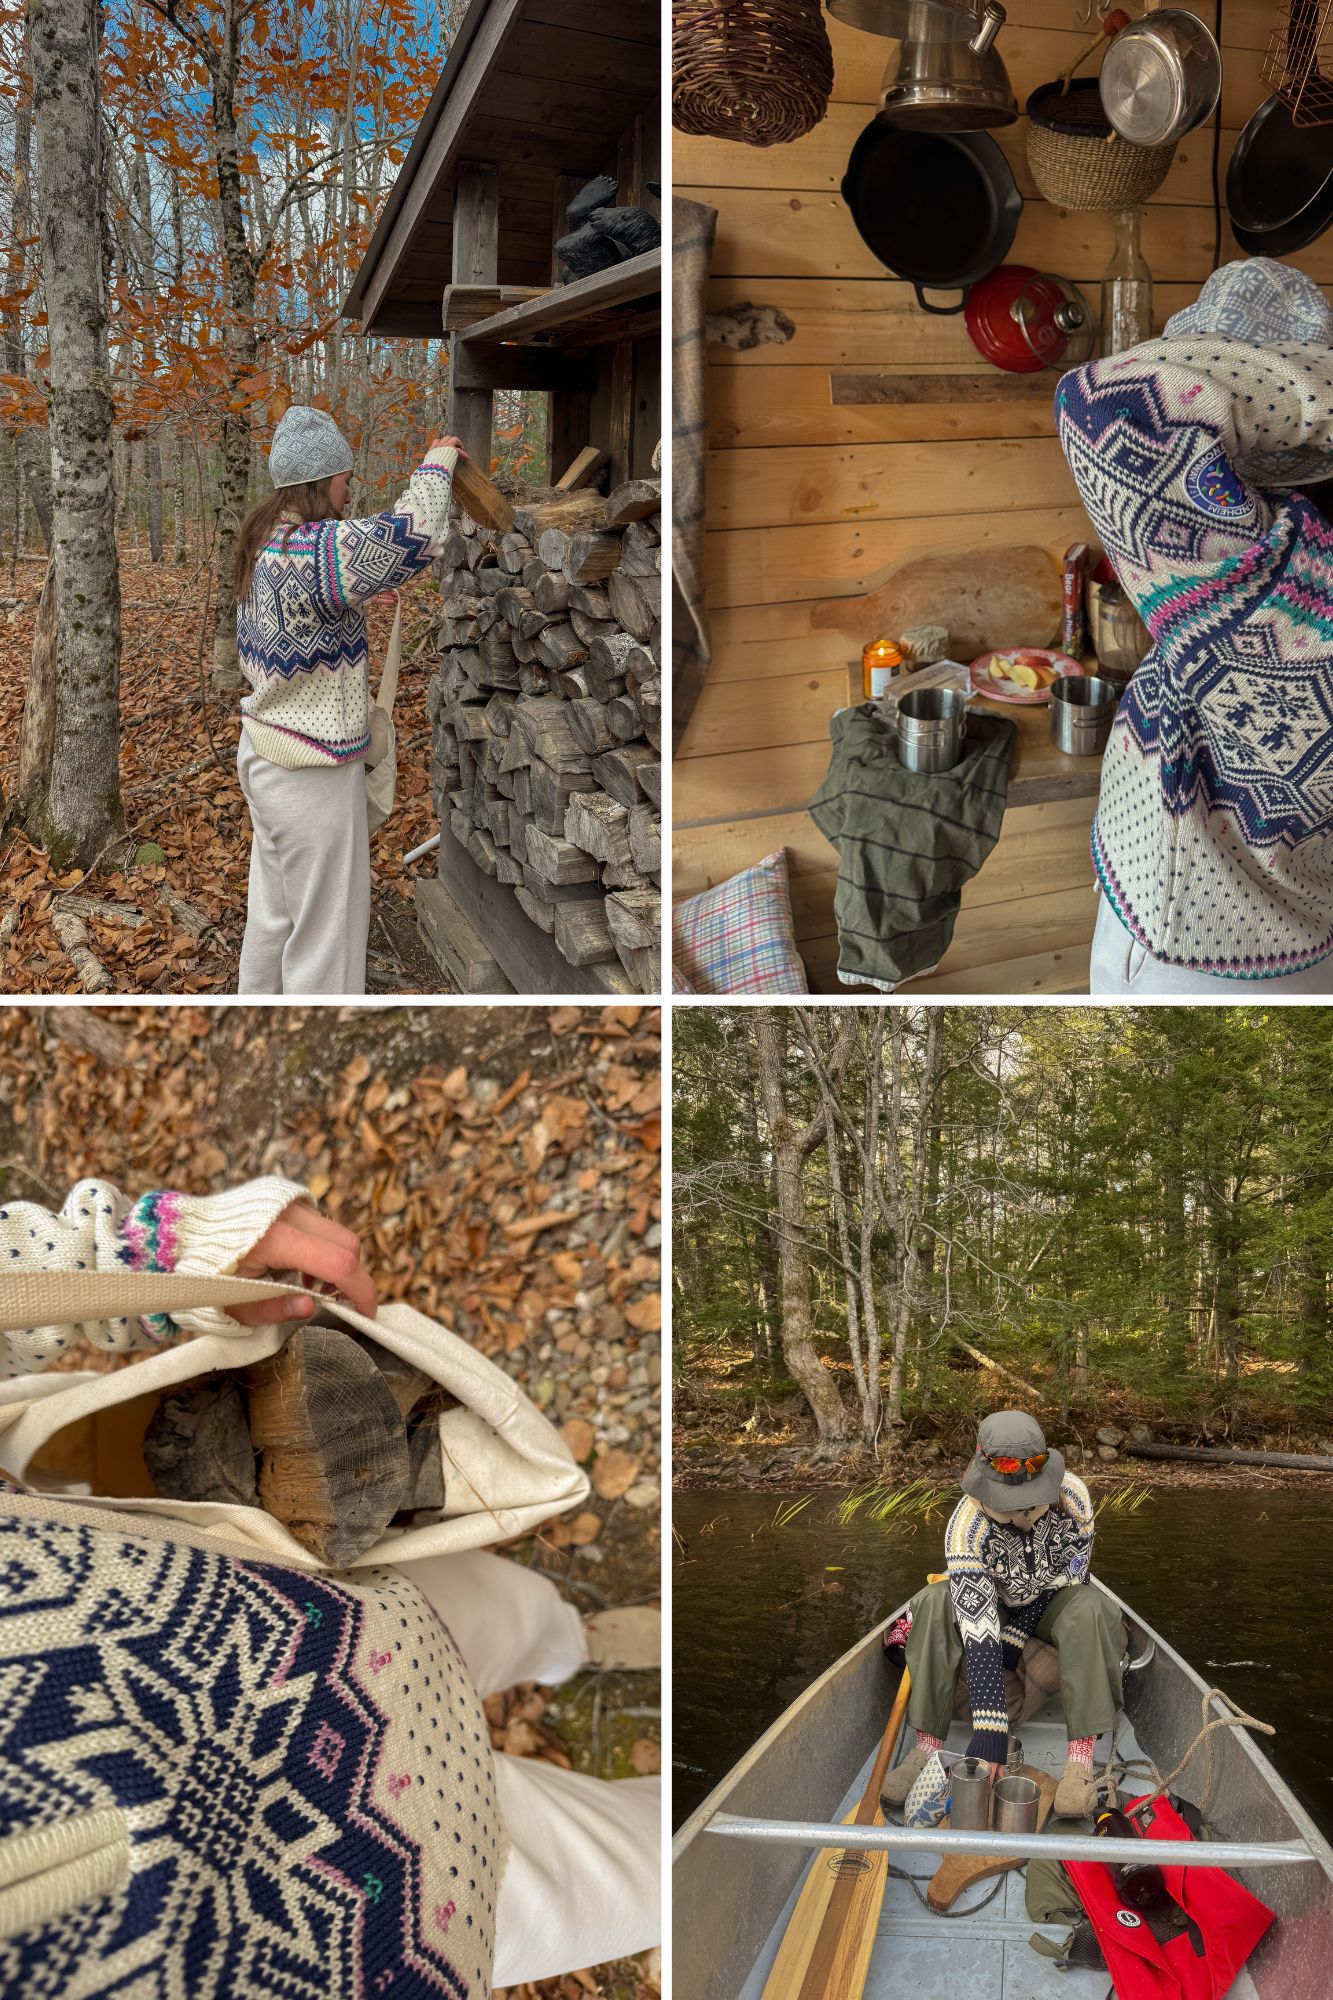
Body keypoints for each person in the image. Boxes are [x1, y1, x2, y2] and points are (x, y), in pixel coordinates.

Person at [0, 1174, 660, 1987]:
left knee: (513, 1612)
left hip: (257, 1590)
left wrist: (134, 1254)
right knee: (646, 1868)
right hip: (350, 1924)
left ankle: (575, 1647)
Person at [1054, 258, 1333, 993]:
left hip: (1193, 945)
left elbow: (1108, 403)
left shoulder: (1285, 592)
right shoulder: (1273, 572)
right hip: (1301, 931)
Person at [233, 408, 464, 997]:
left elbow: (301, 617)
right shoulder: (321, 549)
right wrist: (436, 464)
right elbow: (414, 530)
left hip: (265, 753)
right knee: (327, 935)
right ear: (319, 479)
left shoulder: (268, 539)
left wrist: (357, 600)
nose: (348, 489)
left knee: (274, 914)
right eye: (344, 479)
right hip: (312, 774)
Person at [880, 1411, 1123, 1820]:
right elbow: (978, 1629)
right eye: (1007, 1505)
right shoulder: (965, 1527)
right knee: (932, 1600)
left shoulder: (1075, 1498)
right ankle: (926, 1747)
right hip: (992, 1602)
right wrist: (990, 1734)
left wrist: (1018, 1635)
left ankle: (1080, 1761)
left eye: (1029, 1501)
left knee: (1094, 1607)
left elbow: (1071, 1580)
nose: (1020, 1512)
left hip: (1052, 1600)